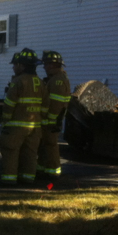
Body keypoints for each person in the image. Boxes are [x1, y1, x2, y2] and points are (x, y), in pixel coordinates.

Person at [0, 48, 48, 185]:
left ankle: (9, 179)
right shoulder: (40, 83)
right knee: (30, 153)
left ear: (22, 65)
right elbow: (45, 105)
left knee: (11, 151)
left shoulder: (18, 81)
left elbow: (9, 104)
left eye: (16, 64)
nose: (14, 67)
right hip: (35, 127)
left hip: (16, 126)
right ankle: (27, 178)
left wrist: (5, 122)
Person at [38, 50, 72, 179]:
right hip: (49, 121)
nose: (44, 67)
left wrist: (50, 120)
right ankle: (42, 167)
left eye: (46, 64)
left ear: (52, 65)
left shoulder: (58, 81)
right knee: (45, 145)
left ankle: (53, 171)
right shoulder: (54, 79)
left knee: (51, 145)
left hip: (51, 121)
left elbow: (56, 104)